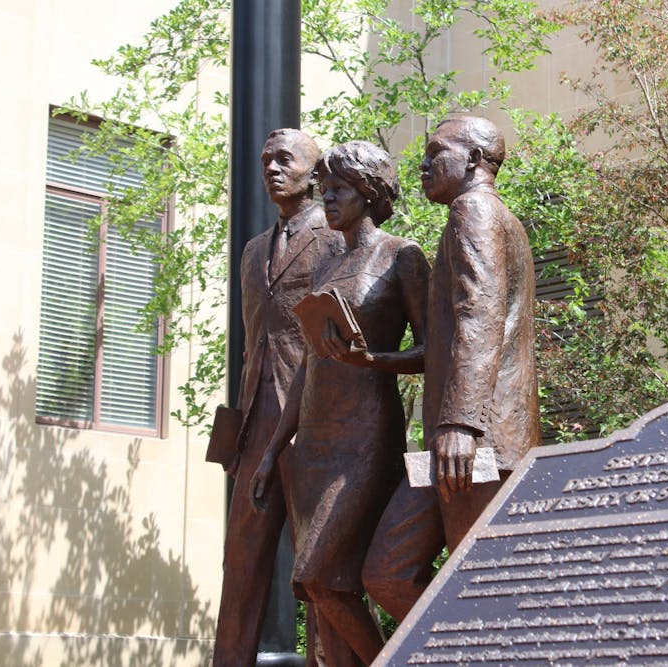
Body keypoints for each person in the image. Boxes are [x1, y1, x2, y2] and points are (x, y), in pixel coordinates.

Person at [250, 140, 430, 665]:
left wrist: (373, 360)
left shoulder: (403, 255)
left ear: (369, 194)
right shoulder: (329, 266)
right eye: (324, 189)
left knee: (315, 575)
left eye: (339, 190)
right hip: (317, 438)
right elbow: (309, 362)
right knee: (328, 584)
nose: (326, 199)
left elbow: (432, 349)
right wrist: (271, 451)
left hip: (367, 435)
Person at [362, 116, 542, 622]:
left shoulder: (476, 211)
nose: (422, 163)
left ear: (475, 161)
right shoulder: (472, 216)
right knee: (386, 572)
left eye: (436, 151)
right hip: (451, 444)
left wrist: (461, 423)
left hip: (477, 442)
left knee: (482, 590)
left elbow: (479, 317)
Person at [213, 129, 342, 667]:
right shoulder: (250, 253)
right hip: (254, 422)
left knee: (316, 565)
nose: (271, 168)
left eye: (284, 159)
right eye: (265, 160)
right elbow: (253, 343)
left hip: (314, 419)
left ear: (314, 173)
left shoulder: (336, 238)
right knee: (240, 561)